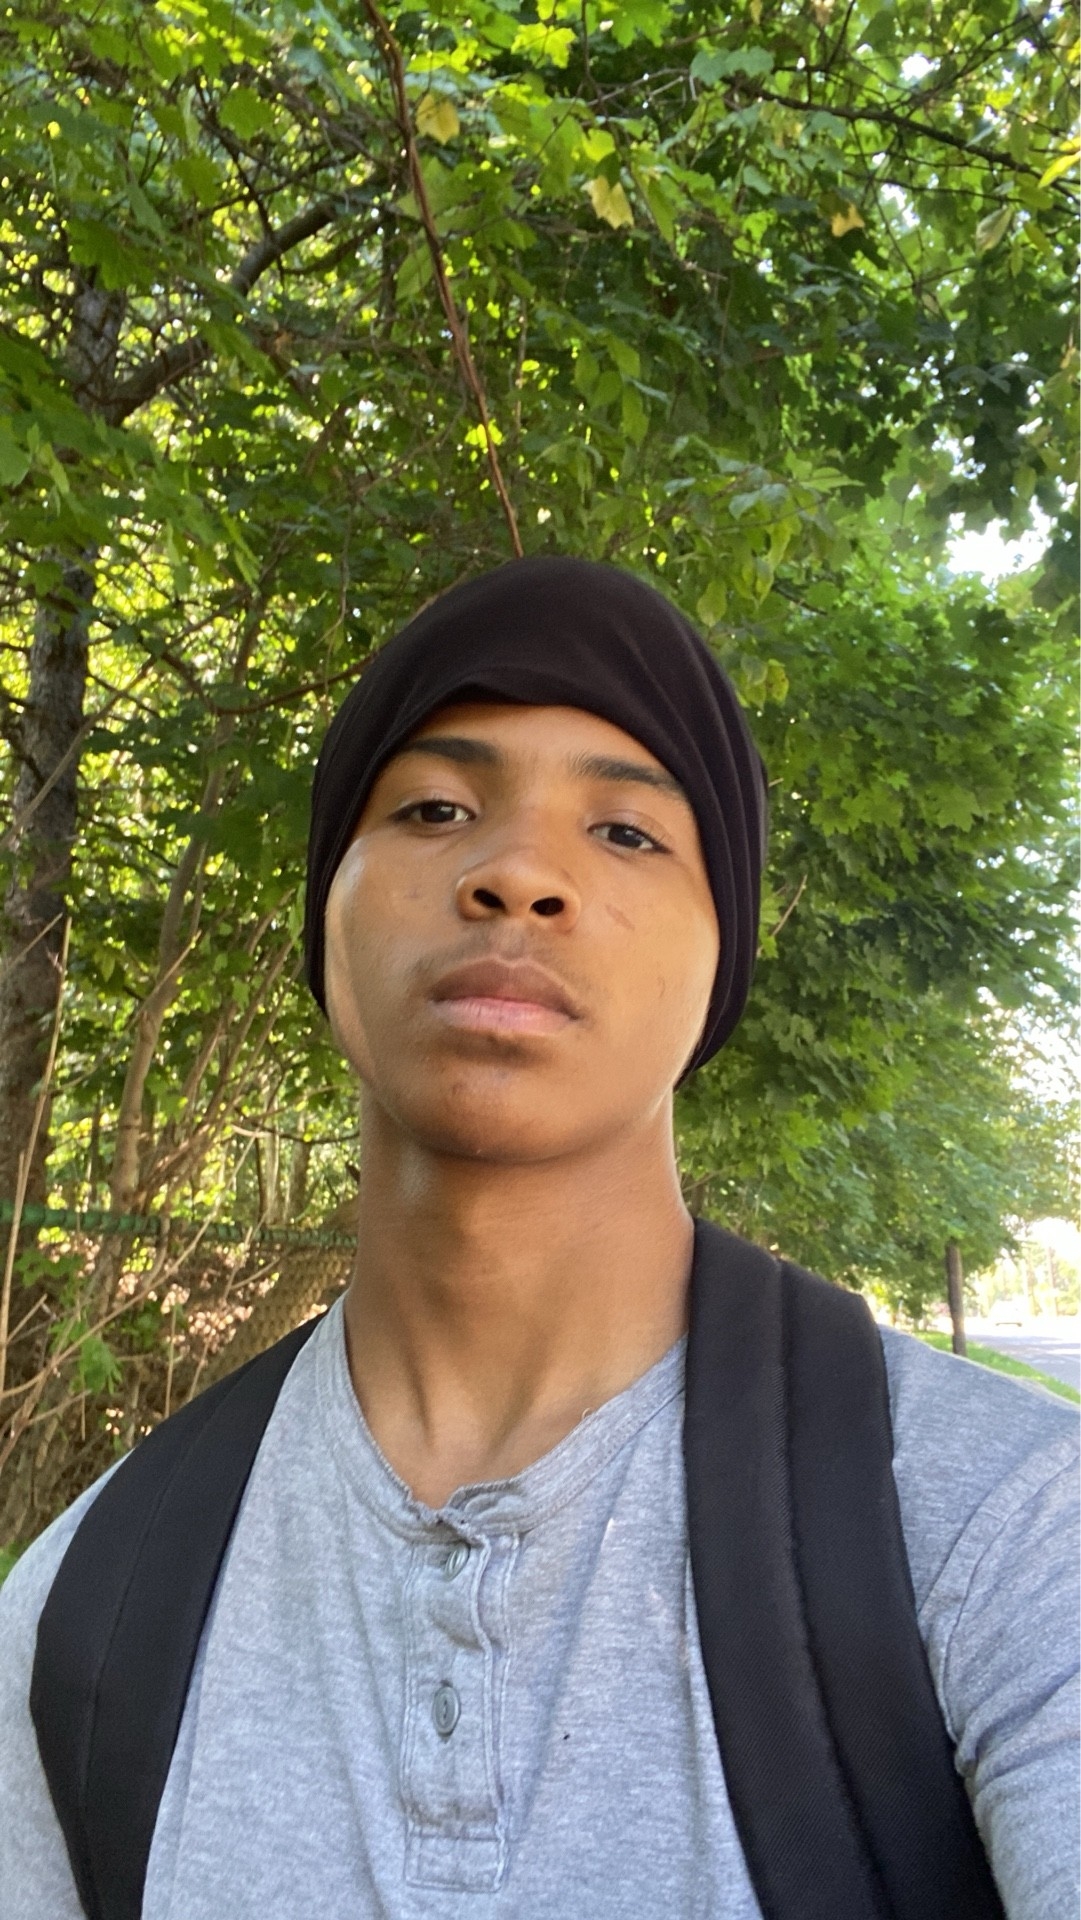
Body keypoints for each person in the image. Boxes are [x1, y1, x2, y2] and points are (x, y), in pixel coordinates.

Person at [0, 557, 1076, 1919]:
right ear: (326, 915)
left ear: (723, 957)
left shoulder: (1007, 1532)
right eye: (433, 809)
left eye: (626, 831)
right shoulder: (87, 1608)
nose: (515, 872)